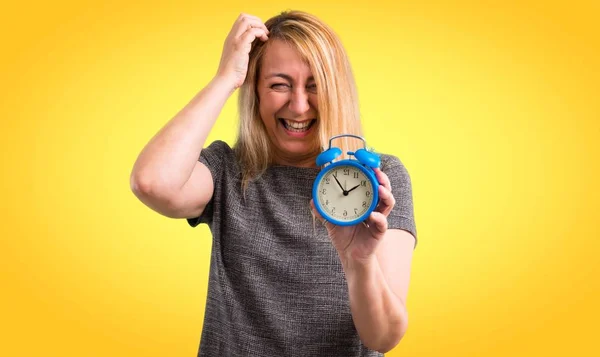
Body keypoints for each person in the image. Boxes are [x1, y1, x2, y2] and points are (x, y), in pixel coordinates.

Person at [130, 10, 417, 357]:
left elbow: (383, 337)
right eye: (279, 85)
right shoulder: (228, 170)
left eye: (315, 86)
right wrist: (226, 78)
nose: (298, 106)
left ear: (336, 91)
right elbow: (151, 182)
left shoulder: (380, 179)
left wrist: (359, 261)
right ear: (256, 91)